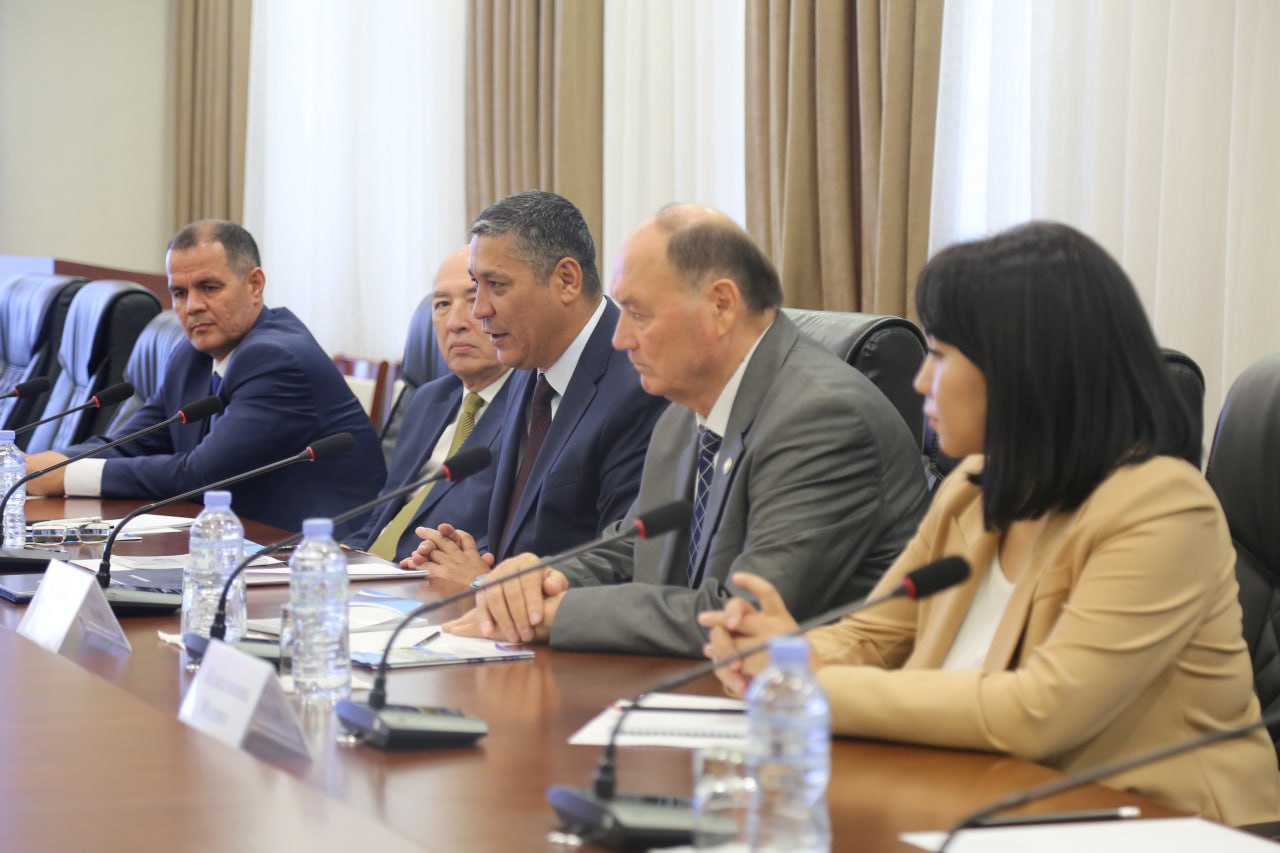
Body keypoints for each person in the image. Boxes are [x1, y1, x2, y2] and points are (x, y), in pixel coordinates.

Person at [699, 222, 1280, 823]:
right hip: (986, 802)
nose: (921, 381)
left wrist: (804, 683)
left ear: (1025, 368)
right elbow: (872, 637)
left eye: (941, 355)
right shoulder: (975, 488)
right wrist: (777, 653)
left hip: (1160, 824)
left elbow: (1040, 712)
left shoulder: (1163, 509)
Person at [444, 204, 929, 657]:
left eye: (638, 314)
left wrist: (555, 615)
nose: (620, 338)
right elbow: (631, 548)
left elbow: (741, 617)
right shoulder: (683, 410)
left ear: (721, 305)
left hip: (803, 704)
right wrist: (541, 580)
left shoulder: (822, 418)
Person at [25, 220, 386, 534]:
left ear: (255, 284)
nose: (192, 306)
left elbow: (201, 475)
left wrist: (65, 476)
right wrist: (39, 467)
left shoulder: (278, 359)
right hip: (231, 540)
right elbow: (131, 443)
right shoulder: (191, 356)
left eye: (209, 288)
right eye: (179, 293)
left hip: (315, 552)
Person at [404, 190, 668, 584]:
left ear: (566, 280)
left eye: (496, 285)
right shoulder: (528, 365)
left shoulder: (639, 383)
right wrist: (465, 557)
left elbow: (624, 562)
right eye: (477, 284)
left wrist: (485, 584)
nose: (479, 310)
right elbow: (522, 529)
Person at [344, 246, 513, 560]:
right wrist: (345, 557)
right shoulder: (427, 399)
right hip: (374, 572)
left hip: (433, 577)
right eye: (442, 304)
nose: (454, 323)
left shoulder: (531, 410)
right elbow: (382, 515)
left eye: (473, 299)